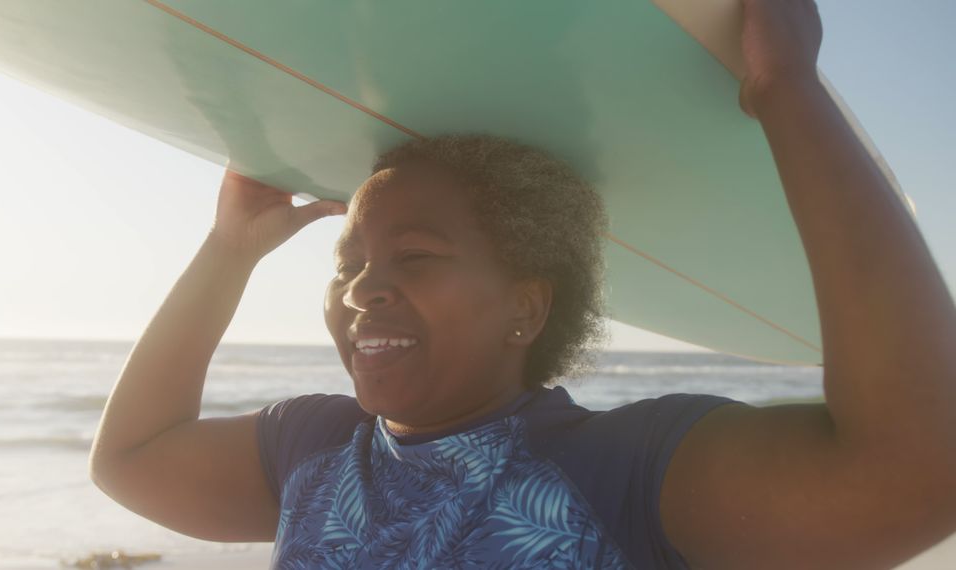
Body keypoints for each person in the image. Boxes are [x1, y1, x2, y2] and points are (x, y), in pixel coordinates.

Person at [88, 0, 956, 568]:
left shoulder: (621, 472)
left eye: (414, 257)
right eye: (347, 263)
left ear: (527, 307)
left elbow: (917, 471)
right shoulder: (313, 450)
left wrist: (786, 92)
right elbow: (128, 463)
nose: (361, 290)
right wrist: (229, 249)